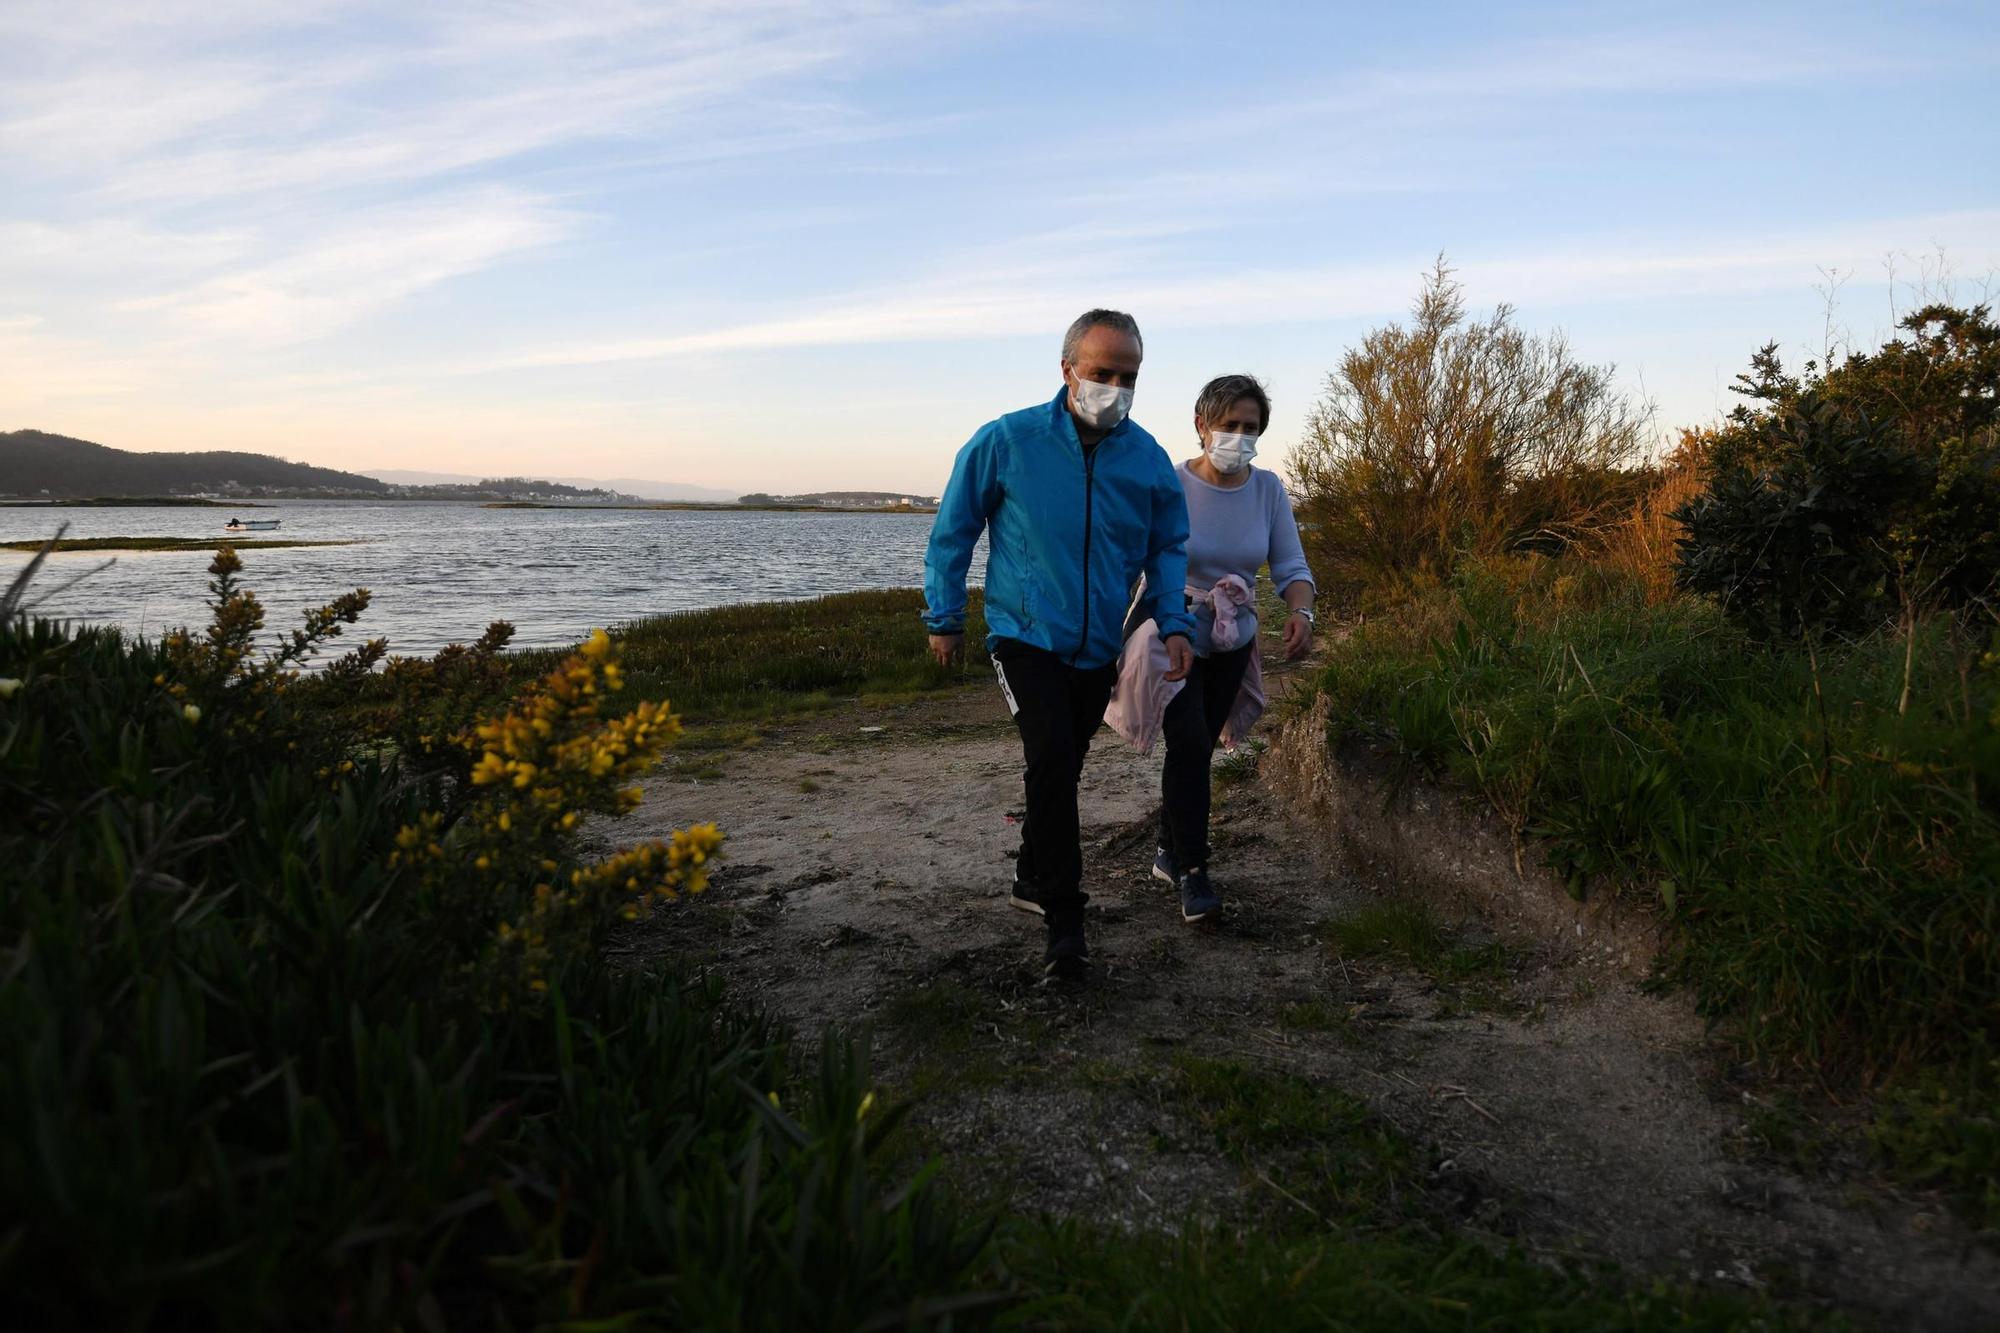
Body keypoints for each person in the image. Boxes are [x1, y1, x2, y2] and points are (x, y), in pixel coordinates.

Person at [923, 309, 1196, 977]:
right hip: (1025, 636)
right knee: (1049, 756)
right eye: (1102, 372)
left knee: (1062, 767)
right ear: (1068, 369)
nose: (1115, 386)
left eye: (1128, 375)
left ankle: (1027, 874)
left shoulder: (1149, 460)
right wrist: (945, 616)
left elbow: (1168, 546)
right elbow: (954, 529)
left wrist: (1174, 620)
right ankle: (1066, 927)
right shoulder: (1008, 441)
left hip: (1098, 644)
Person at [1125, 373, 1315, 923]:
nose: (1239, 435)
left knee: (1198, 747)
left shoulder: (1269, 491)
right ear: (1201, 425)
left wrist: (1301, 611)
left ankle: (1167, 849)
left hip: (1235, 637)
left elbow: (1291, 567)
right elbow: (1133, 557)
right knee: (1185, 741)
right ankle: (1193, 871)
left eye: (1250, 427)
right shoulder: (1172, 483)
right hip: (1171, 632)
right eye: (1229, 424)